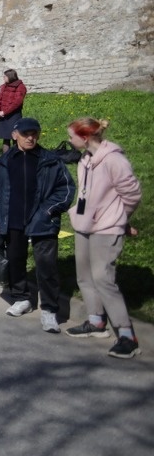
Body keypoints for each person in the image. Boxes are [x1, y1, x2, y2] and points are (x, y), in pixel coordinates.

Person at [65, 118, 143, 358]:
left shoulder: (114, 160)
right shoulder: (86, 159)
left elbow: (132, 194)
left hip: (106, 228)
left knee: (103, 279)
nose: (69, 141)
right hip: (84, 225)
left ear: (85, 137)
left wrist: (120, 218)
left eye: (72, 137)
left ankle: (127, 336)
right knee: (85, 277)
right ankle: (96, 322)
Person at [0, 117, 75, 331]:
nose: (31, 137)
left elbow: (65, 189)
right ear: (15, 134)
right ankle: (22, 298)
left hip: (43, 220)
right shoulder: (5, 160)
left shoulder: (50, 160)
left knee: (46, 266)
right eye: (26, 133)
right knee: (16, 260)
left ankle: (49, 311)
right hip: (13, 219)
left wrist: (48, 211)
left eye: (34, 133)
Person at [0, 68, 26, 152]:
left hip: (13, 116)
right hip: (3, 116)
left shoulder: (20, 87)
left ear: (10, 76)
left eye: (5, 76)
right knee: (6, 138)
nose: (3, 78)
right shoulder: (4, 86)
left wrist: (5, 112)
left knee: (15, 137)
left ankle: (16, 157)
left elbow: (17, 102)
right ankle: (6, 158)